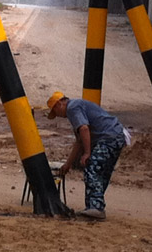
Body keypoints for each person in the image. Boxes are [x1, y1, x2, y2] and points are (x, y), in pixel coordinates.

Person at [47, 91, 127, 220]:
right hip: (116, 135)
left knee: (92, 168)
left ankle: (96, 208)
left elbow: (84, 129)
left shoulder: (72, 108)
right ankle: (93, 208)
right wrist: (68, 164)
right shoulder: (78, 106)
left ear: (59, 104)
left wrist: (87, 153)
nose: (59, 116)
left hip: (107, 138)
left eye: (55, 112)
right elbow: (79, 141)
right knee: (102, 173)